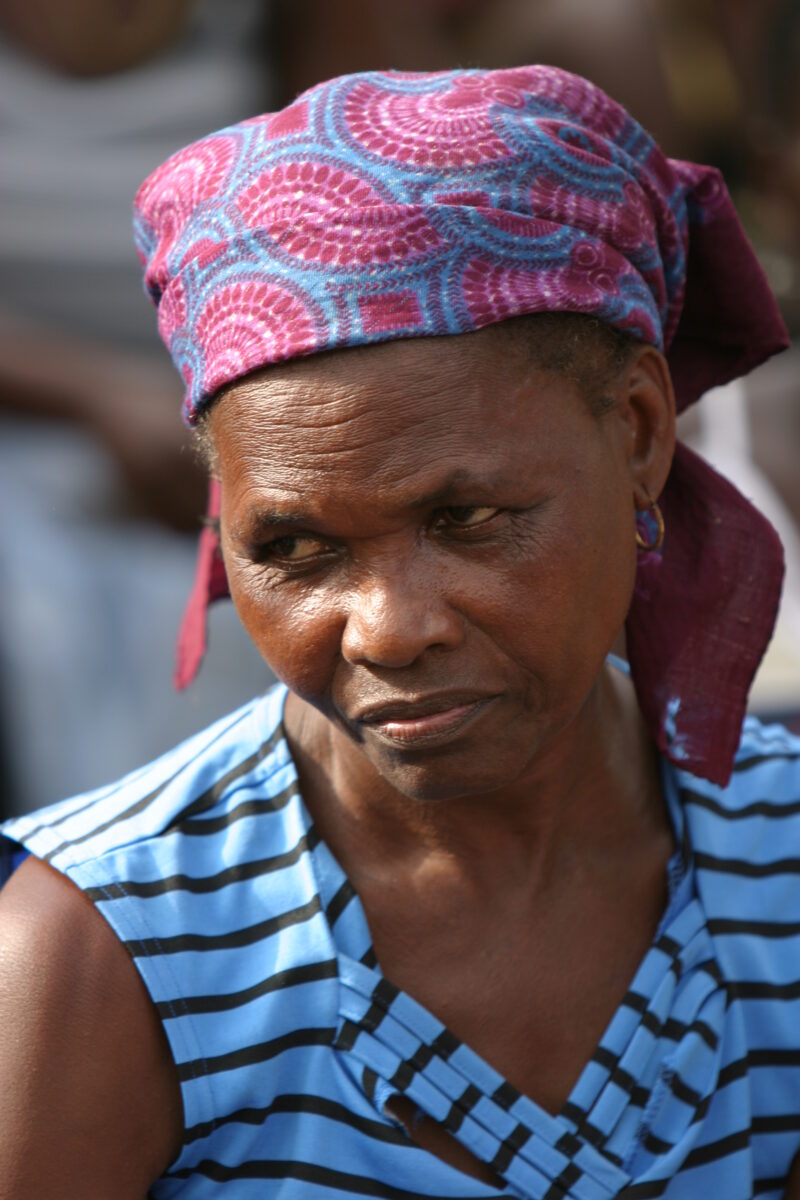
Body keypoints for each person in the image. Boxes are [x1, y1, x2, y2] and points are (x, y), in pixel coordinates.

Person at [1, 65, 799, 1198]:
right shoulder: (103, 958)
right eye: (293, 552)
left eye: (467, 520)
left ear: (636, 432)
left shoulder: (777, 864)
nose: (388, 630)